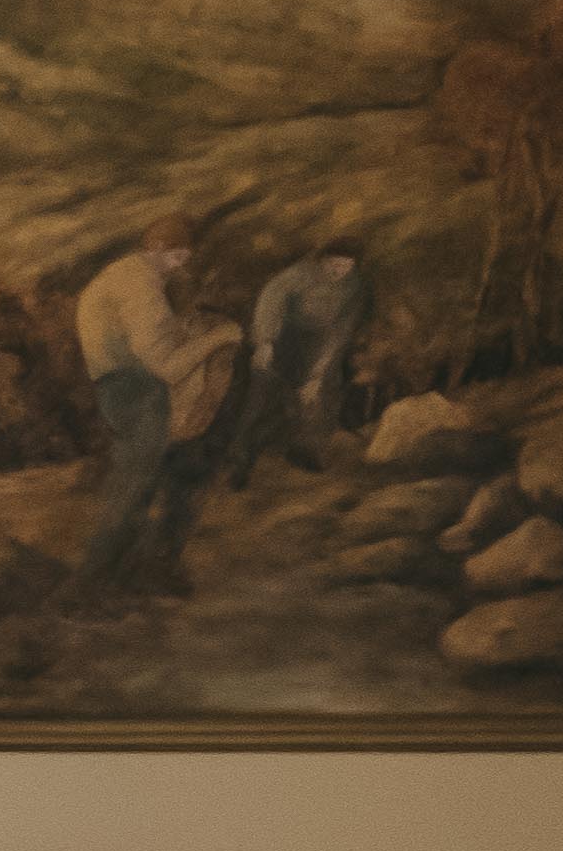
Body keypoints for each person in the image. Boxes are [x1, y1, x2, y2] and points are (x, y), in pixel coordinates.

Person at [70, 215, 235, 595]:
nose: (183, 265)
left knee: (182, 472)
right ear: (157, 249)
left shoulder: (123, 274)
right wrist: (219, 338)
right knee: (135, 487)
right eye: (178, 257)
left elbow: (153, 340)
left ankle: (154, 570)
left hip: (122, 386)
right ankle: (89, 587)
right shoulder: (140, 287)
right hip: (136, 391)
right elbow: (168, 367)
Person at [249, 241, 375, 468]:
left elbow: (342, 330)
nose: (340, 271)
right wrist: (266, 341)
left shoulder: (355, 286)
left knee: (322, 391)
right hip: (287, 335)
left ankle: (307, 450)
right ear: (323, 261)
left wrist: (319, 372)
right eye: (334, 265)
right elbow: (271, 300)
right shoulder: (299, 274)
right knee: (266, 388)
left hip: (324, 341)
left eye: (346, 266)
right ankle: (244, 454)